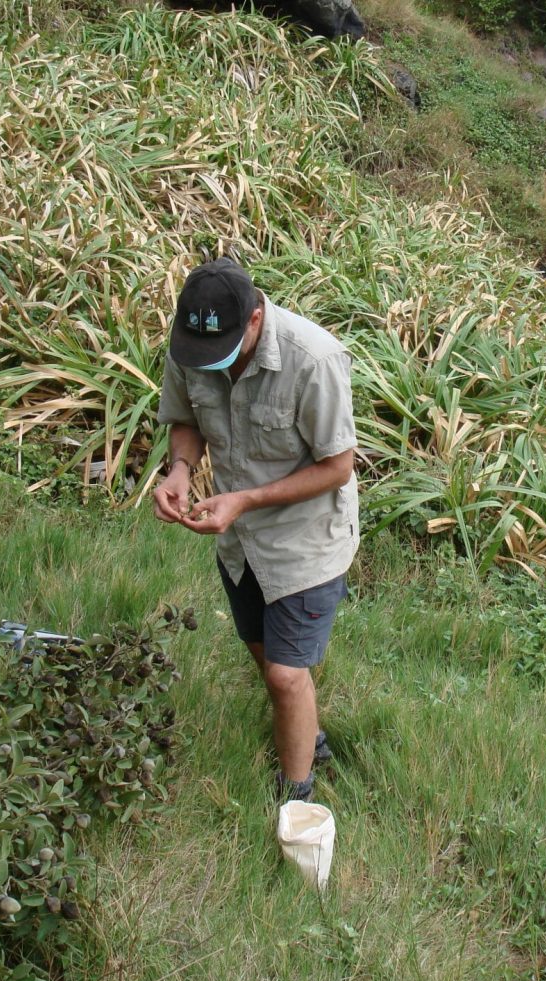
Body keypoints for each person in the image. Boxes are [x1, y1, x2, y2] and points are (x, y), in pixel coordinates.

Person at [153, 257, 359, 803]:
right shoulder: (193, 345)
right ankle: (309, 737)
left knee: (284, 676)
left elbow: (339, 465)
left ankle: (298, 797)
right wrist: (178, 469)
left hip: (305, 539)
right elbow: (186, 422)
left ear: (254, 319)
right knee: (261, 651)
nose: (209, 365)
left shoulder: (313, 359)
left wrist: (244, 498)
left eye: (224, 352)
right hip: (239, 540)